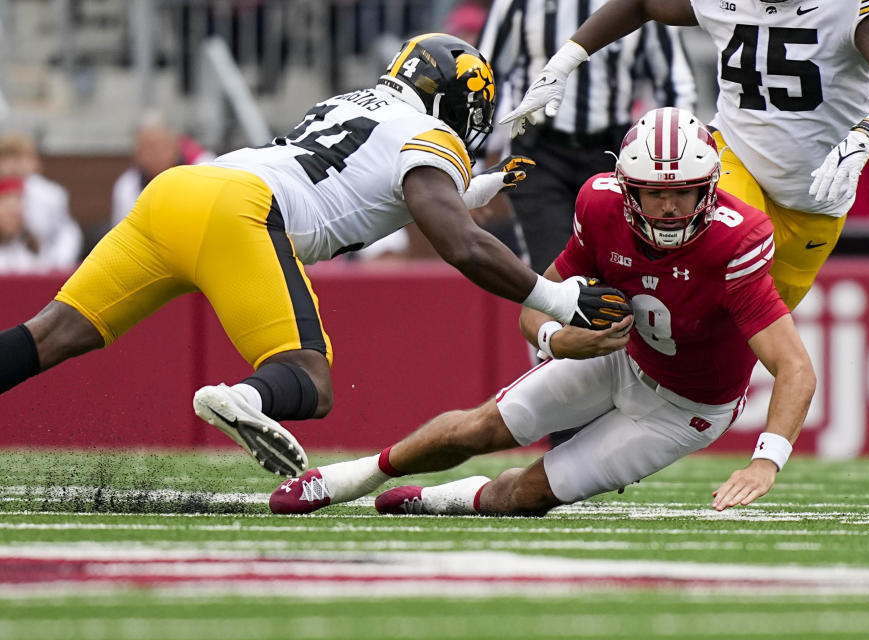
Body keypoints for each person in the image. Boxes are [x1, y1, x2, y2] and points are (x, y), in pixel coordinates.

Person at [0, 34, 630, 478]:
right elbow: (459, 241)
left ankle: (246, 395)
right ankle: (243, 399)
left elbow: (372, 177)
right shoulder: (431, 134)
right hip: (240, 210)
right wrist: (558, 298)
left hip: (178, 190)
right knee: (308, 378)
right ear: (454, 104)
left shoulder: (353, 102)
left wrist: (480, 184)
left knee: (51, 333)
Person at [268, 108, 816, 517]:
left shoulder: (735, 240)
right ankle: (347, 479)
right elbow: (537, 301)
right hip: (619, 357)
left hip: (685, 408)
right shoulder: (600, 206)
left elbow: (794, 368)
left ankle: (437, 501)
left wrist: (766, 459)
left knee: (522, 494)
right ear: (627, 191)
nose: (670, 208)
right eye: (654, 195)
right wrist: (558, 340)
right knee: (480, 427)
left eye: (686, 194)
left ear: (710, 191)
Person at [499, 0, 869, 310]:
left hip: (815, 203)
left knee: (736, 330)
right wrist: (563, 63)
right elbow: (640, 2)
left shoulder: (850, 7)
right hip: (735, 159)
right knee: (691, 266)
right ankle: (587, 319)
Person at [477, 0, 697, 277]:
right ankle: (552, 321)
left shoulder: (640, 5)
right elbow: (482, 74)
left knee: (617, 271)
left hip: (611, 155)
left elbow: (676, 82)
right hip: (539, 153)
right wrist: (472, 164)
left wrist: (674, 159)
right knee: (555, 271)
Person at [110, 111, 214, 227]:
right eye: (148, 148)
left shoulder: (205, 167)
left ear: (175, 144)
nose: (157, 153)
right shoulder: (128, 186)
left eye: (162, 145)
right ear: (137, 155)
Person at [0, 132, 82, 270]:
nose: (14, 165)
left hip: (42, 264)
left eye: (20, 158)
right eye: (6, 158)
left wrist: (57, 263)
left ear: (35, 163)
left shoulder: (51, 194)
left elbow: (66, 232)